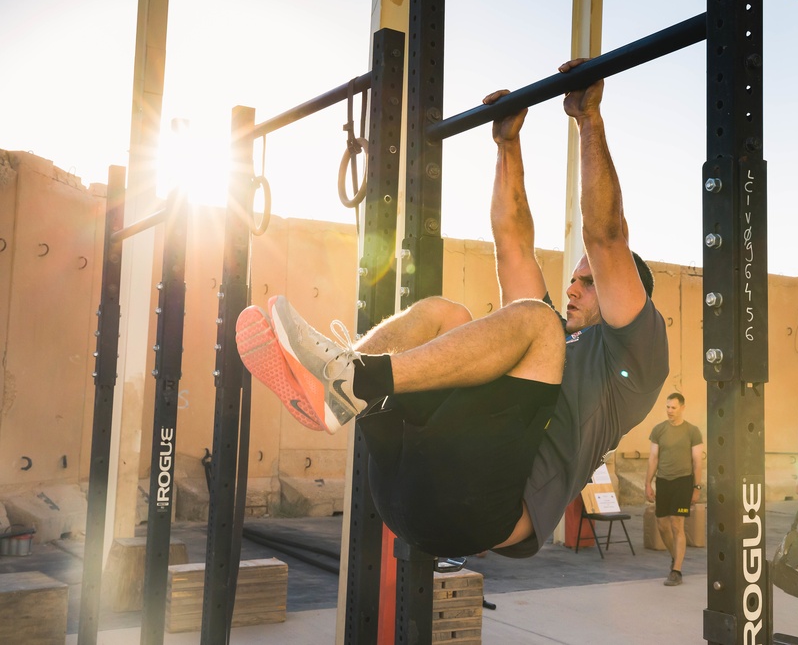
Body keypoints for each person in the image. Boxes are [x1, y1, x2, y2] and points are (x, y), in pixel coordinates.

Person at [235, 59, 669, 559]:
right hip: (402, 483)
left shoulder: (636, 357)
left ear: (626, 294)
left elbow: (606, 235)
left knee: (536, 319)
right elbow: (512, 243)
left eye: (589, 283)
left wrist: (588, 119)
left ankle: (357, 379)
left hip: (482, 509)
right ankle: (342, 383)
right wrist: (507, 146)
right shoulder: (551, 339)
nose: (572, 288)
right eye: (573, 277)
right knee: (446, 312)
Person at [644, 392, 703, 586]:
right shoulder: (659, 430)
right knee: (662, 525)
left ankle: (676, 570)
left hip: (683, 482)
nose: (669, 411)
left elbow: (697, 461)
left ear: (682, 408)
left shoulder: (692, 431)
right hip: (663, 481)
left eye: (673, 407)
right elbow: (653, 458)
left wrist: (697, 487)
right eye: (667, 407)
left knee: (677, 524)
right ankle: (675, 557)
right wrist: (648, 483)